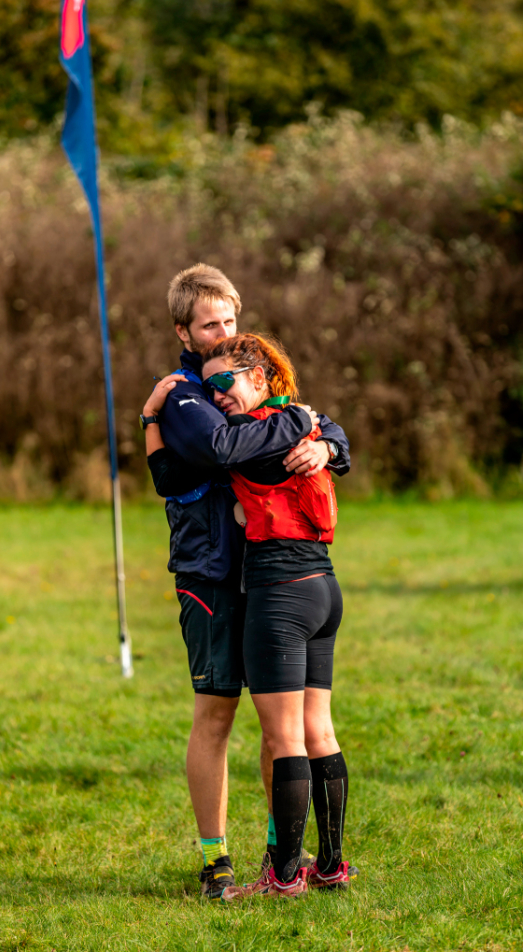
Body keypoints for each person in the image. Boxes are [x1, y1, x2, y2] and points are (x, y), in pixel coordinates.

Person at [140, 264, 350, 899]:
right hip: (211, 574)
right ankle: (215, 860)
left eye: (230, 320)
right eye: (210, 325)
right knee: (217, 714)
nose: (225, 332)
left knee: (279, 721)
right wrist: (308, 423)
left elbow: (307, 425)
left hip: (270, 580)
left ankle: (280, 855)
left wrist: (329, 442)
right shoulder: (183, 393)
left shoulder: (243, 379)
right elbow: (226, 448)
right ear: (184, 329)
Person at [197, 333, 357, 897]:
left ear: (260, 379)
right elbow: (328, 431)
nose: (217, 396)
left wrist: (325, 438)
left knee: (288, 738)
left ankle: (284, 877)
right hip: (323, 589)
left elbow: (220, 449)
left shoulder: (253, 434)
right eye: (209, 385)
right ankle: (332, 867)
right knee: (319, 730)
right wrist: (320, 432)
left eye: (225, 382)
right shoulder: (296, 421)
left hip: (281, 593)